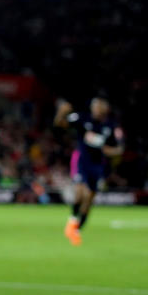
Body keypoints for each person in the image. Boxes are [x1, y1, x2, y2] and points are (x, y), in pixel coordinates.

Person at [54, 97, 123, 246]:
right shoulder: (83, 119)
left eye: (99, 107)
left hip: (98, 166)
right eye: (94, 107)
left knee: (89, 200)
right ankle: (72, 221)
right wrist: (61, 113)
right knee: (81, 193)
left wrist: (109, 151)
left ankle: (76, 229)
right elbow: (60, 124)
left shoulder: (110, 126)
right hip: (82, 162)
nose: (96, 110)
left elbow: (118, 149)